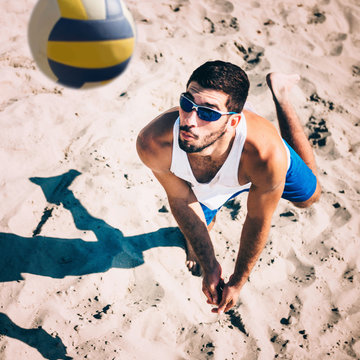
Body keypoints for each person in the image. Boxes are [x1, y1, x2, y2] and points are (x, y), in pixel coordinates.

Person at [136, 60, 321, 314]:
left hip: (251, 163)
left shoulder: (266, 156)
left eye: (208, 112)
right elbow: (180, 198)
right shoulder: (154, 142)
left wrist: (238, 281)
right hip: (203, 176)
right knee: (201, 225)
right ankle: (200, 247)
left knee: (309, 199)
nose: (190, 120)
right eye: (187, 103)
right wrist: (211, 265)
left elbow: (257, 218)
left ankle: (281, 95)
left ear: (233, 121)